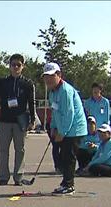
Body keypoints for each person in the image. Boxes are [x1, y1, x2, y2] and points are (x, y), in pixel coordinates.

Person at [0, 53, 37, 186]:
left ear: (23, 66)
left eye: (18, 65)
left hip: (20, 121)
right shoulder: (3, 82)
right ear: (9, 66)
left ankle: (18, 176)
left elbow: (32, 103)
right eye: (13, 65)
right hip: (5, 120)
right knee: (3, 149)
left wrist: (33, 120)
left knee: (20, 149)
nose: (16, 67)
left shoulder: (28, 84)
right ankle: (3, 177)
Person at [42, 62, 87, 195]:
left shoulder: (65, 91)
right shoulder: (52, 92)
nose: (48, 79)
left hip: (74, 129)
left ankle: (68, 185)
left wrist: (62, 132)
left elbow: (69, 113)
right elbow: (55, 111)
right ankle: (65, 182)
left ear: (59, 75)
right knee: (63, 155)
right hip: (64, 129)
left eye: (51, 75)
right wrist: (53, 128)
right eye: (46, 76)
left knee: (68, 156)